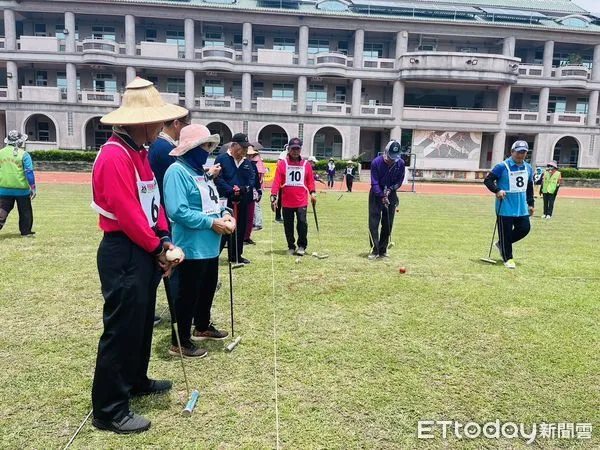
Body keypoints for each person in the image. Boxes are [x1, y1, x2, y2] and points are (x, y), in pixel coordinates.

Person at [90, 77, 187, 434]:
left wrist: (163, 239)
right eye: (159, 122)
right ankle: (109, 409)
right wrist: (156, 247)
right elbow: (127, 212)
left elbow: (153, 202)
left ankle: (135, 379)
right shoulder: (115, 155)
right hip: (124, 250)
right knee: (121, 328)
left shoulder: (140, 154)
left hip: (144, 246)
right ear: (141, 122)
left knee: (143, 321)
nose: (162, 128)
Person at [163, 124, 235, 358]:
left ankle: (202, 326)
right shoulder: (176, 172)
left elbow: (211, 203)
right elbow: (177, 211)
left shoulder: (200, 173)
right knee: (187, 295)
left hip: (211, 245)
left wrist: (224, 213)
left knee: (206, 289)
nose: (207, 150)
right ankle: (180, 341)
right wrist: (211, 223)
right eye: (204, 146)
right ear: (191, 148)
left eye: (209, 146)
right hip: (191, 247)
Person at [148, 114, 190, 327]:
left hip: (160, 213)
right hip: (163, 215)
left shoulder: (159, 147)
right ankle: (176, 312)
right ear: (176, 124)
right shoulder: (165, 149)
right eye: (185, 125)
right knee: (169, 264)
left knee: (163, 265)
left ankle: (152, 310)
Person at [484, 140, 534, 269]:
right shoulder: (502, 166)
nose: (520, 155)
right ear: (512, 152)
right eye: (518, 152)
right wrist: (497, 190)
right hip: (505, 206)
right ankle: (508, 258)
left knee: (524, 229)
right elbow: (488, 180)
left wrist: (531, 203)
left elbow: (529, 186)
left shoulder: (528, 167)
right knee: (505, 232)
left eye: (523, 152)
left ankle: (502, 244)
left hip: (521, 207)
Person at [270, 137, 317, 256]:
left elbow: (310, 180)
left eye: (297, 149)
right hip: (287, 201)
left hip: (301, 200)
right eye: (293, 149)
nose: (295, 151)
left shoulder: (306, 164)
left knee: (302, 223)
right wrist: (273, 196)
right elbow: (277, 181)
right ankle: (291, 246)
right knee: (288, 225)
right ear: (288, 149)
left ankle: (302, 245)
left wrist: (313, 192)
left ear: (300, 149)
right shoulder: (283, 164)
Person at [214, 133, 255, 265]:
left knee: (240, 227)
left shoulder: (247, 163)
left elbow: (251, 180)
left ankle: (236, 255)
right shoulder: (222, 158)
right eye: (242, 147)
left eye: (246, 148)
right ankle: (214, 255)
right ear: (233, 145)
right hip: (225, 200)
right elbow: (218, 179)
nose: (244, 150)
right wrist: (230, 190)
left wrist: (243, 189)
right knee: (224, 228)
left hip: (241, 199)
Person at [368, 140, 405, 260]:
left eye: (394, 158)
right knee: (374, 222)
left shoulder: (400, 163)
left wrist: (391, 189)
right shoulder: (376, 163)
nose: (392, 161)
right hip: (376, 193)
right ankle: (375, 249)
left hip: (391, 194)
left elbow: (399, 180)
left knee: (388, 222)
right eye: (390, 157)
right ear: (385, 153)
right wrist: (382, 196)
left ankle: (383, 249)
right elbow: (374, 182)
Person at [0, 130, 36, 237]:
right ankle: (26, 232)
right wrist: (33, 188)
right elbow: (29, 172)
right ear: (20, 142)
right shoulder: (24, 154)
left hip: (3, 189)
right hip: (22, 190)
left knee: (3, 209)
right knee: (25, 211)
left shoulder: (0, 153)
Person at [244, 146, 263, 244]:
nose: (250, 157)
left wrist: (259, 190)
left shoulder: (254, 165)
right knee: (243, 216)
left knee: (250, 216)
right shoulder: (241, 165)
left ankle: (247, 236)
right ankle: (241, 236)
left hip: (251, 193)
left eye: (252, 155)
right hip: (243, 193)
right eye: (248, 155)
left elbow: (256, 180)